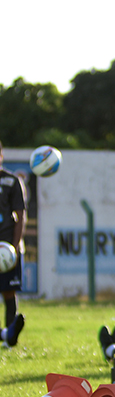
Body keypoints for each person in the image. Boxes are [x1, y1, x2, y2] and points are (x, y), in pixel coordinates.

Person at [0, 140, 26, 347]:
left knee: (9, 291)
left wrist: (15, 247)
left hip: (7, 248)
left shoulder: (11, 181)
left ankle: (9, 339)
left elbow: (20, 215)